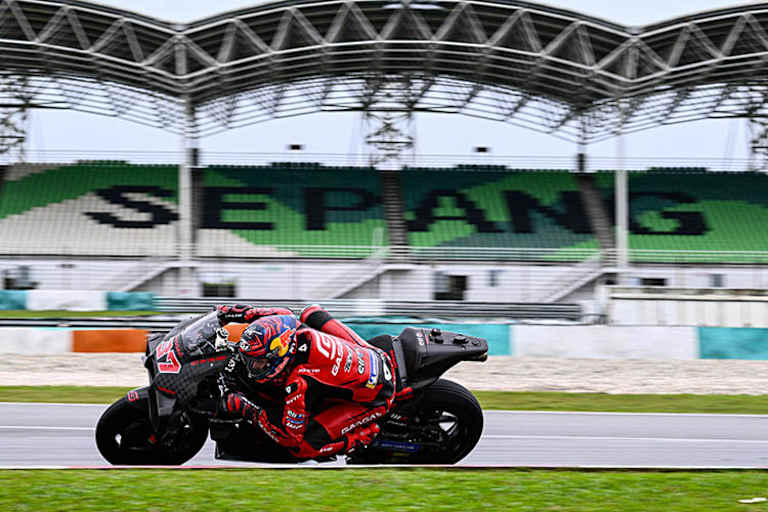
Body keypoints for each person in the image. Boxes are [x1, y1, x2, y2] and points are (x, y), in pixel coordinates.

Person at [215, 303, 396, 460]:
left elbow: (290, 436)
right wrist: (235, 313)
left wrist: (245, 407)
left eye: (259, 363)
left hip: (377, 396)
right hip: (373, 353)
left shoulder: (298, 381)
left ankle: (361, 437)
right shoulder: (289, 324)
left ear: (278, 356)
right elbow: (268, 313)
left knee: (303, 448)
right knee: (310, 312)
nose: (253, 367)